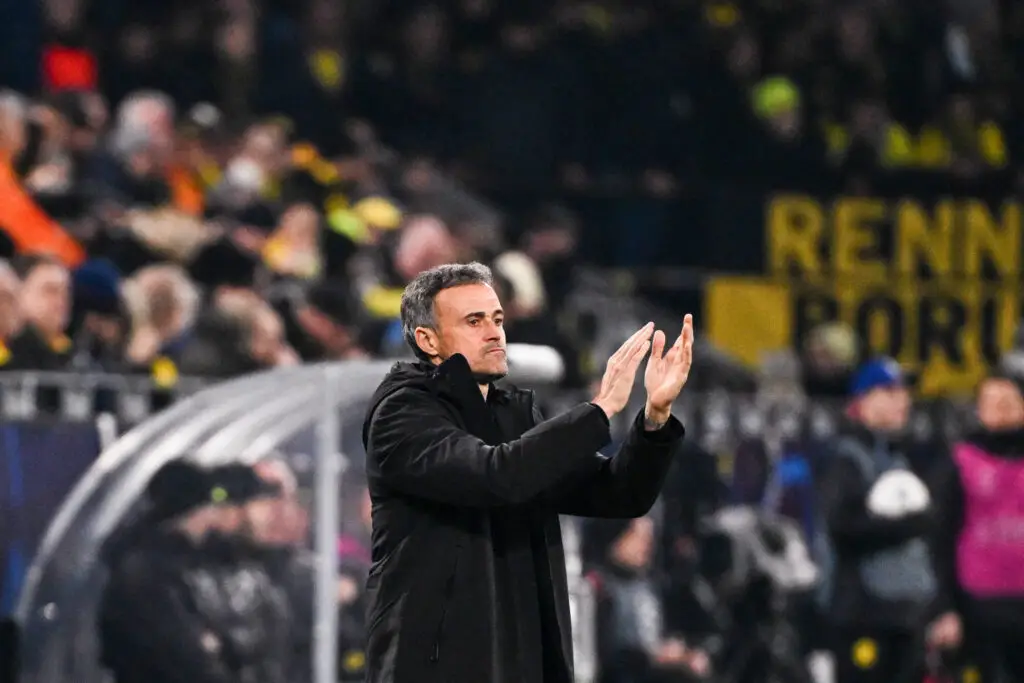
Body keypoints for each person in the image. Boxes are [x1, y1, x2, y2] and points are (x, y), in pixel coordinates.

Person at [361, 262, 693, 683]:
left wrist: (655, 417)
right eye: (474, 321)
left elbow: (619, 493)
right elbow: (496, 476)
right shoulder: (402, 412)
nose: (494, 332)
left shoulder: (513, 417)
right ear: (428, 339)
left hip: (520, 662)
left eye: (497, 319)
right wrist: (601, 408)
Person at [816, 358, 937, 683]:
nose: (903, 400)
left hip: (903, 613)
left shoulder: (897, 455)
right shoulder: (846, 457)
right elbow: (842, 527)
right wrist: (912, 524)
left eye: (903, 392)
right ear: (862, 401)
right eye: (890, 391)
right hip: (863, 613)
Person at [926, 370, 1024, 682]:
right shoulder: (960, 461)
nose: (1000, 410)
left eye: (1008, 401)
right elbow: (940, 536)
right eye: (991, 402)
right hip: (978, 605)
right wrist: (944, 607)